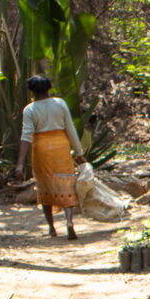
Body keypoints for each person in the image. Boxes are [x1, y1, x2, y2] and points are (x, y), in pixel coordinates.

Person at [12, 76, 87, 240]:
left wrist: (19, 164)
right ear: (49, 88)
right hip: (61, 147)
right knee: (66, 185)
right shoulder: (60, 104)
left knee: (45, 187)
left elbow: (26, 137)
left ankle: (52, 228)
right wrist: (79, 153)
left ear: (32, 91)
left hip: (42, 150)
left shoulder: (30, 110)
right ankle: (69, 222)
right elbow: (70, 129)